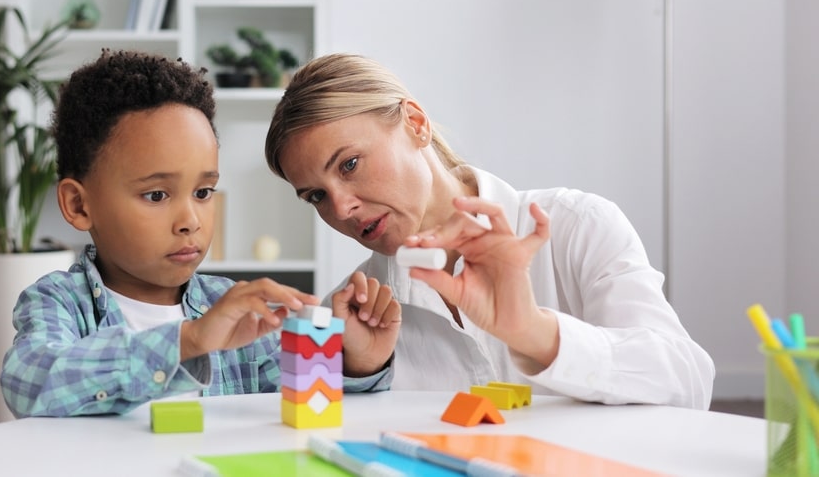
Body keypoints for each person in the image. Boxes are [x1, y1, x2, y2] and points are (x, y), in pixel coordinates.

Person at [264, 53, 715, 409]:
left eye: (350, 164)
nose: (342, 208)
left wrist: (534, 332)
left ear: (415, 124)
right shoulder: (350, 310)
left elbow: (687, 386)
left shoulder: (576, 226)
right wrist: (361, 372)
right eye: (316, 196)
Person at [0, 50, 398, 418]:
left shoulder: (231, 307)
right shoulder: (59, 302)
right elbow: (30, 382)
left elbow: (309, 407)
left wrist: (359, 362)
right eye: (156, 194)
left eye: (203, 192)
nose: (190, 220)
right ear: (79, 205)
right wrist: (187, 341)